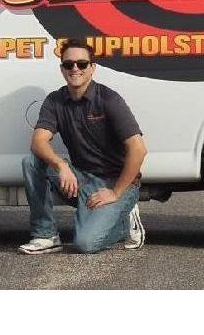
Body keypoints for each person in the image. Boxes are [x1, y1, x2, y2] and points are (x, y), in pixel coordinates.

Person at [19, 38, 147, 254]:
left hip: (114, 183)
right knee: (31, 162)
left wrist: (115, 193)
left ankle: (125, 220)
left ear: (92, 68)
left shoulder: (108, 99)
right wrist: (61, 165)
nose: (75, 69)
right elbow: (38, 141)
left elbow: (138, 149)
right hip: (81, 178)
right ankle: (46, 235)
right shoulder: (55, 101)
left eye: (82, 64)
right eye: (69, 64)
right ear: (62, 69)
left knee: (85, 244)